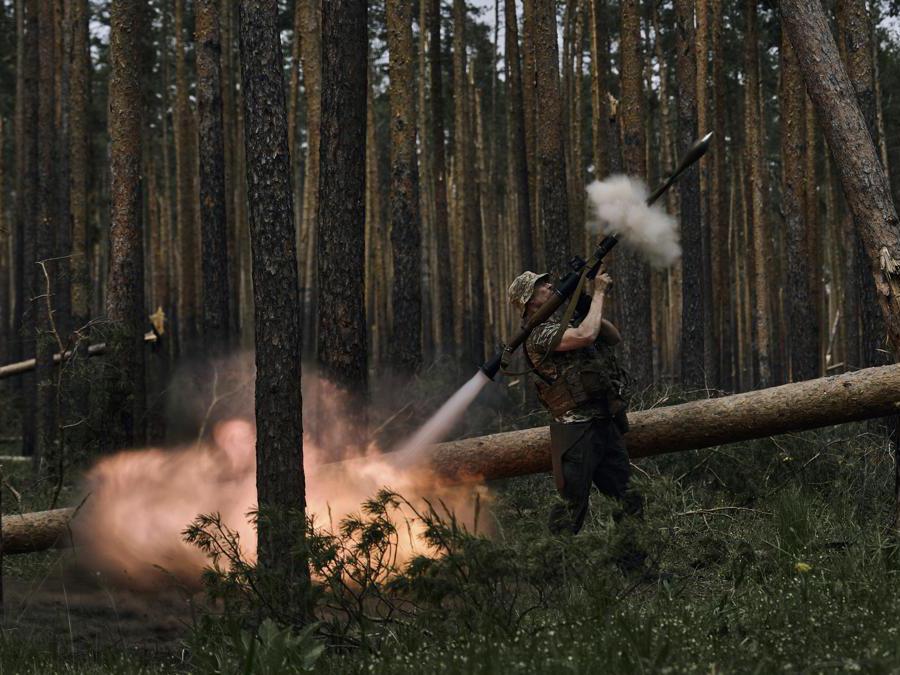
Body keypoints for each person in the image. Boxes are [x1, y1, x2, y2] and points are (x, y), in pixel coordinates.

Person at [507, 270, 643, 535]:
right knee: (570, 511)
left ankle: (636, 570)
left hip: (604, 424)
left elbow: (612, 336)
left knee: (629, 500)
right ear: (530, 300)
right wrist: (601, 293)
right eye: (541, 285)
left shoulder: (564, 324)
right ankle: (556, 573)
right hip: (576, 434)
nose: (549, 285)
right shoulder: (538, 334)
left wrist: (585, 301)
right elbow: (586, 336)